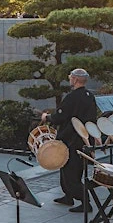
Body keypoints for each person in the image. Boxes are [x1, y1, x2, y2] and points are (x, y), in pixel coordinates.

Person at [42, 68, 98, 212]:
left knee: (70, 171)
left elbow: (61, 116)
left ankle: (85, 202)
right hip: (84, 138)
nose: (69, 80)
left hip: (72, 139)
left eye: (70, 78)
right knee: (70, 168)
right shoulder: (89, 96)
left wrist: (47, 118)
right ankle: (68, 196)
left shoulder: (72, 97)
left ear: (75, 79)